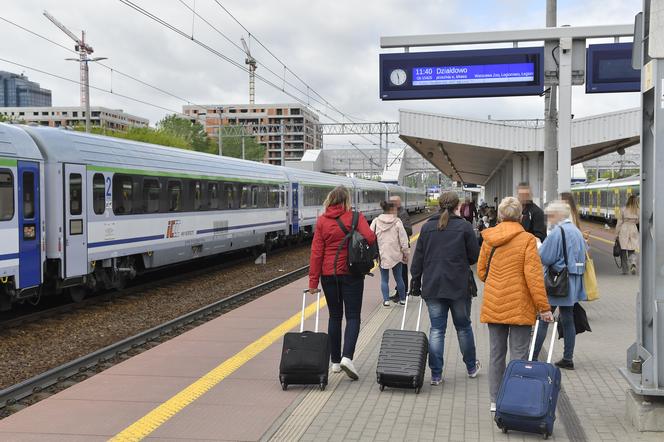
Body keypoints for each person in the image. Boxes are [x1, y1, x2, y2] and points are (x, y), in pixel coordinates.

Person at [478, 196, 553, 412]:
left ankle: (494, 400)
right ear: (520, 216)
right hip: (520, 306)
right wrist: (544, 308)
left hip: (494, 303)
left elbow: (482, 272)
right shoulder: (528, 240)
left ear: (500, 215)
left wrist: (497, 283)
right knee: (519, 355)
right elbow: (534, 278)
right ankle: (513, 399)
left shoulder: (489, 237)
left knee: (496, 354)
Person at [410, 191, 481, 386]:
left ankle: (436, 375)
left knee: (437, 330)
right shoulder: (465, 227)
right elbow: (474, 256)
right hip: (459, 286)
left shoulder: (426, 228)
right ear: (457, 206)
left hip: (433, 285)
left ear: (439, 205)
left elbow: (418, 259)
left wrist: (415, 281)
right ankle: (471, 368)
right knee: (464, 327)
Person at [309, 185, 377, 380]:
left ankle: (336, 362)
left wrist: (313, 282)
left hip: (328, 275)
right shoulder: (356, 217)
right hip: (352, 273)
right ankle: (348, 357)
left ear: (329, 200)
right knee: (353, 316)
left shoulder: (322, 221)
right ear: (347, 200)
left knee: (334, 317)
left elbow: (316, 253)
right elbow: (370, 237)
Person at [532, 200, 587, 370]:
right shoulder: (577, 231)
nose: (548, 218)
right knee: (568, 318)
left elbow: (544, 256)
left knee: (544, 317)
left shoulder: (558, 232)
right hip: (573, 281)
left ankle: (533, 357)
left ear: (557, 215)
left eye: (549, 215)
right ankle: (568, 358)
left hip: (558, 283)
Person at [371, 201, 409, 307]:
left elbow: (369, 236)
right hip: (396, 255)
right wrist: (405, 252)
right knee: (399, 278)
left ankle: (386, 300)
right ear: (392, 210)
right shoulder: (397, 221)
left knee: (384, 279)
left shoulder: (376, 221)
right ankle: (402, 300)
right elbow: (403, 239)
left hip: (382, 255)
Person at [388, 195, 412, 302]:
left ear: (398, 202)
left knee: (402, 271)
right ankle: (399, 291)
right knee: (397, 271)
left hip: (402, 247)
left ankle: (403, 293)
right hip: (395, 247)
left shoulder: (402, 214)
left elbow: (409, 230)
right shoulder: (392, 213)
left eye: (393, 202)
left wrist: (396, 230)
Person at [616, 195, 639, 275]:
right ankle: (633, 263)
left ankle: (625, 270)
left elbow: (619, 222)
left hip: (624, 228)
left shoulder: (623, 209)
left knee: (623, 250)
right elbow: (638, 221)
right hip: (633, 228)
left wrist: (617, 233)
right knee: (631, 249)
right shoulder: (637, 210)